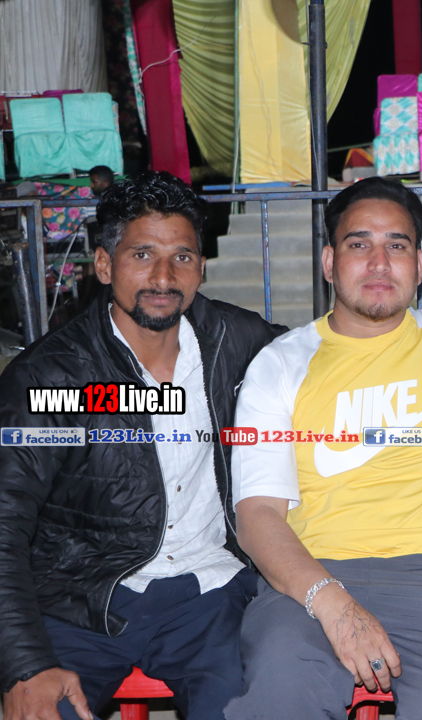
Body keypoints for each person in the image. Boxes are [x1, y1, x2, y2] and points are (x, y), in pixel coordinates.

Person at [0, 171, 285, 720]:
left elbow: (332, 360)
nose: (163, 277)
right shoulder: (50, 378)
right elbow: (5, 521)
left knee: (254, 706)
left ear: (201, 267)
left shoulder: (239, 342)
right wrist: (24, 664)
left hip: (211, 595)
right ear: (105, 265)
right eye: (142, 255)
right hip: (81, 599)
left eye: (182, 257)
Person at [223, 177, 422, 720]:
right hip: (307, 579)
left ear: (418, 265)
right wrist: (331, 603)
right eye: (359, 244)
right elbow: (258, 515)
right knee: (280, 688)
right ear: (329, 263)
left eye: (397, 245)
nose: (379, 262)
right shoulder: (281, 365)